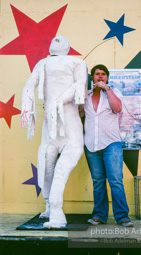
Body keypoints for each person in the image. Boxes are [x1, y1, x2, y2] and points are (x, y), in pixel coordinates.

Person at [21, 36, 88, 228]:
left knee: (59, 169)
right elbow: (29, 85)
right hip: (50, 129)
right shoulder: (43, 64)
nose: (56, 40)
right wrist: (28, 104)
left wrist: (59, 101)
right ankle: (50, 206)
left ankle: (57, 214)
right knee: (45, 165)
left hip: (70, 128)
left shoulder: (76, 62)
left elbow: (79, 88)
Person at [83, 64, 133, 227]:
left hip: (111, 144)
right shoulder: (86, 96)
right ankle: (99, 215)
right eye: (97, 74)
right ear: (92, 77)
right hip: (91, 145)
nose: (100, 76)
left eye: (103, 74)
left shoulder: (113, 92)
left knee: (115, 181)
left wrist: (107, 89)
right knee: (98, 181)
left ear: (107, 77)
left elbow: (118, 108)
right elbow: (76, 112)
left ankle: (122, 217)